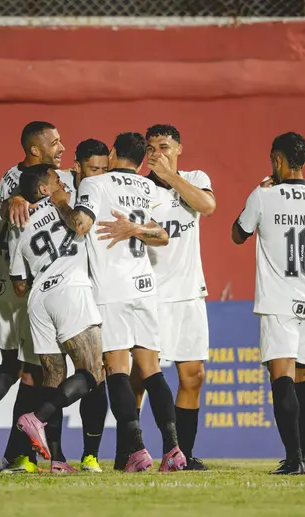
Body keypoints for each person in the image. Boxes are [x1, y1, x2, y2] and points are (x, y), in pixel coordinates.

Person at [52, 132, 186, 472]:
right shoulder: (148, 187)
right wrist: (135, 230)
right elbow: (163, 236)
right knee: (151, 369)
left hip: (112, 289)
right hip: (145, 286)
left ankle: (136, 449)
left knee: (116, 369)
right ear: (141, 161)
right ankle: (173, 448)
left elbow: (80, 225)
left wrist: (60, 202)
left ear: (112, 154)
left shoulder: (95, 184)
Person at [231, 132, 305, 475]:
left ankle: (293, 458)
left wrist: (256, 192)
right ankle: (304, 457)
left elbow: (238, 235)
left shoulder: (264, 195)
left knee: (281, 374)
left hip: (279, 301)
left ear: (278, 160)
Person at [100, 124, 215, 470]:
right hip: (151, 293)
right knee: (139, 377)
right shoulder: (139, 188)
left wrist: (171, 177)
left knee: (193, 375)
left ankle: (182, 455)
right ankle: (128, 451)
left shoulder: (194, 179)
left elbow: (207, 206)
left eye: (164, 146)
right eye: (150, 148)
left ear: (179, 148)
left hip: (189, 293)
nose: (156, 153)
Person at [0, 121, 69, 474]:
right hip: (21, 285)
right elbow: (12, 202)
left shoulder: (28, 175)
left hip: (6, 284)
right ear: (35, 149)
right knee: (36, 369)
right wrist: (17, 200)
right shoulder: (19, 181)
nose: (61, 147)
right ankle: (20, 455)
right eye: (55, 142)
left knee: (15, 366)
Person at [8, 164, 105, 473]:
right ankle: (36, 418)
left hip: (38, 300)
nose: (62, 183)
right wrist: (62, 202)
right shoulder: (65, 205)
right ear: (44, 189)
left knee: (53, 379)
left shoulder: (18, 224)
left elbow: (19, 284)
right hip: (71, 290)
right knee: (93, 372)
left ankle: (58, 459)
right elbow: (80, 225)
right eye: (56, 180)